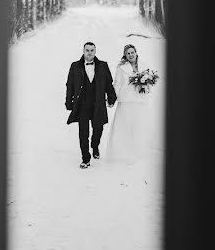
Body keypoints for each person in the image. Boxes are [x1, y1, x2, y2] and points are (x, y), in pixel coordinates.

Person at [64, 41, 117, 169]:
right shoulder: (75, 66)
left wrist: (111, 98)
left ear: (95, 51)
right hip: (82, 105)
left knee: (98, 129)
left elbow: (108, 84)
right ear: (83, 51)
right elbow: (70, 84)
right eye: (87, 50)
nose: (89, 52)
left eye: (92, 50)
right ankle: (85, 158)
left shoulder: (103, 66)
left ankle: (95, 145)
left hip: (98, 104)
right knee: (83, 132)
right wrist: (68, 101)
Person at [107, 44, 151, 164]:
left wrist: (145, 87)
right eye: (128, 53)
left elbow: (150, 84)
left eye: (132, 52)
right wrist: (112, 99)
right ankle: (122, 154)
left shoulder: (145, 65)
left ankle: (137, 153)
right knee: (124, 127)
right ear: (125, 55)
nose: (131, 55)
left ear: (136, 52)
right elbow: (116, 84)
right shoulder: (121, 68)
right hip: (126, 101)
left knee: (138, 127)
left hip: (139, 101)